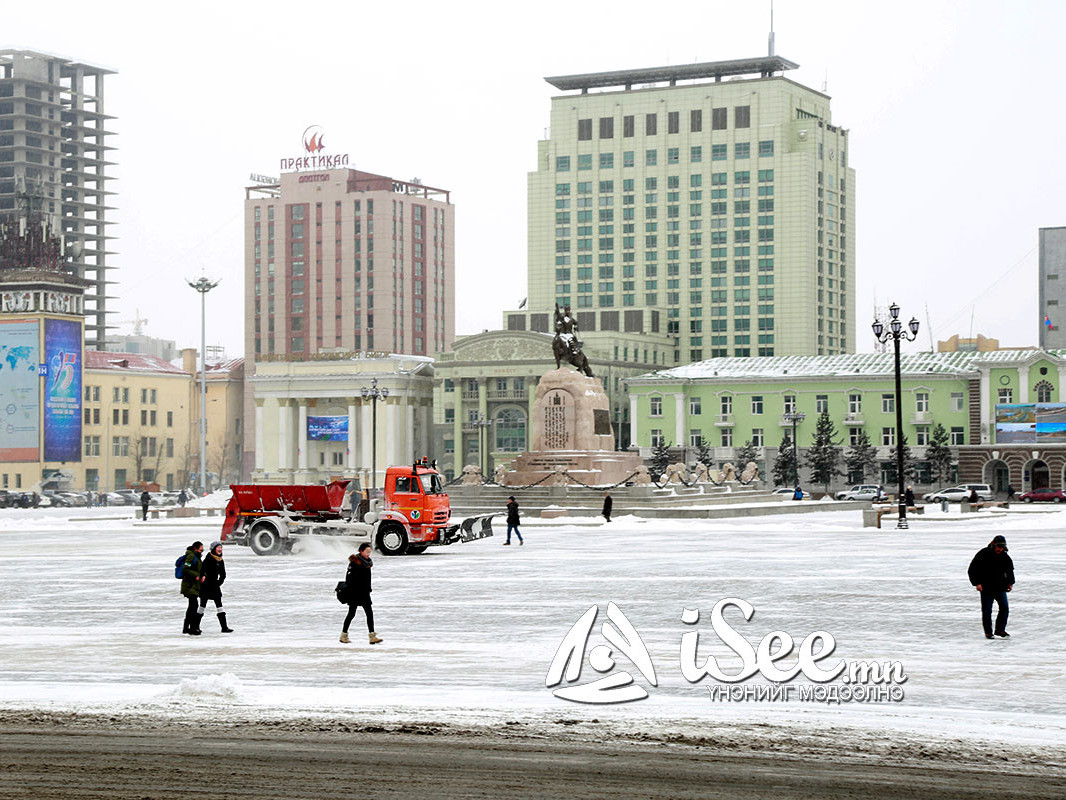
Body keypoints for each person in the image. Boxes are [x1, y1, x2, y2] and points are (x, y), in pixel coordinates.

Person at [967, 534, 1015, 639]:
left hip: (1000, 587)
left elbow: (1010, 571)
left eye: (1002, 547)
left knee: (1004, 608)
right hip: (986, 587)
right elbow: (972, 569)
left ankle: (1000, 630)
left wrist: (1010, 583)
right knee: (987, 610)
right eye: (998, 546)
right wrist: (977, 583)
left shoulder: (1005, 556)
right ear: (993, 544)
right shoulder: (983, 554)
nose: (1000, 549)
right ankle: (988, 632)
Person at [340, 543, 382, 645]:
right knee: (351, 614)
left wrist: (368, 589)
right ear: (361, 551)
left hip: (364, 592)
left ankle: (372, 636)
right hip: (355, 593)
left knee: (369, 613)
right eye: (367, 552)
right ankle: (343, 635)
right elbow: (349, 580)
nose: (368, 554)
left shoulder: (366, 562)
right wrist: (354, 590)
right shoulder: (355, 563)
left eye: (369, 552)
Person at [198, 541, 233, 633]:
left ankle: (224, 627)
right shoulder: (208, 558)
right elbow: (202, 571)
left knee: (219, 606)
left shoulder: (220, 560)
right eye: (218, 547)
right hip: (205, 586)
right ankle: (195, 626)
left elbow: (223, 575)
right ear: (214, 549)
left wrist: (218, 583)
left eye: (221, 547)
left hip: (215, 586)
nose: (220, 549)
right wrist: (203, 577)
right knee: (202, 606)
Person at [180, 541, 205, 636]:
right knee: (193, 606)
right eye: (201, 549)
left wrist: (203, 575)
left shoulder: (197, 557)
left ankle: (187, 628)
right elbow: (185, 569)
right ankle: (192, 628)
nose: (202, 551)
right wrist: (196, 576)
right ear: (195, 549)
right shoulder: (191, 556)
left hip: (194, 586)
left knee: (192, 607)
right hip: (189, 586)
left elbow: (199, 569)